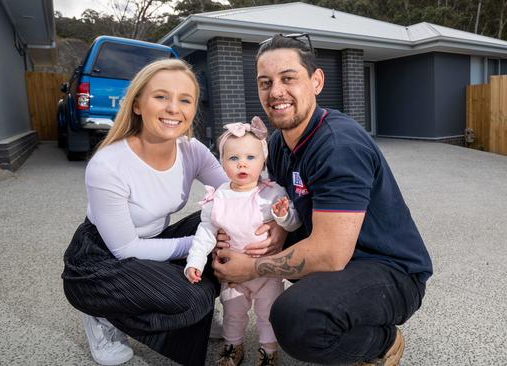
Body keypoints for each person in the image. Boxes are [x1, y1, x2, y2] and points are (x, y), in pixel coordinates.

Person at [212, 34, 433, 365]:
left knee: (296, 320)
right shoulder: (280, 144)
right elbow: (274, 199)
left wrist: (252, 267)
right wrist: (273, 227)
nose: (275, 92)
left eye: (288, 78)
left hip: (389, 269)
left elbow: (330, 254)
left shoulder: (338, 147)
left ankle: (381, 341)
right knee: (213, 222)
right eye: (265, 82)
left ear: (316, 81)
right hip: (339, 257)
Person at [60, 58, 283, 366]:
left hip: (156, 239)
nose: (173, 108)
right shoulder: (108, 164)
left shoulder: (191, 149)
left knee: (230, 230)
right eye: (161, 96)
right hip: (102, 258)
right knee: (191, 298)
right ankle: (103, 316)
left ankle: (199, 311)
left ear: (193, 109)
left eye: (185, 100)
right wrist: (201, 244)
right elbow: (126, 248)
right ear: (137, 104)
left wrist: (273, 223)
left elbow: (237, 192)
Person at [185, 117, 301, 366]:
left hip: (267, 271)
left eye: (250, 157)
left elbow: (293, 225)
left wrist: (283, 215)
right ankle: (232, 347)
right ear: (222, 163)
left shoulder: (273, 193)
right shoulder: (218, 197)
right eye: (233, 158)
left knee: (267, 314)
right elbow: (206, 232)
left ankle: (269, 351)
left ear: (263, 160)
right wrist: (194, 261)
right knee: (233, 314)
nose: (242, 165)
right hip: (232, 273)